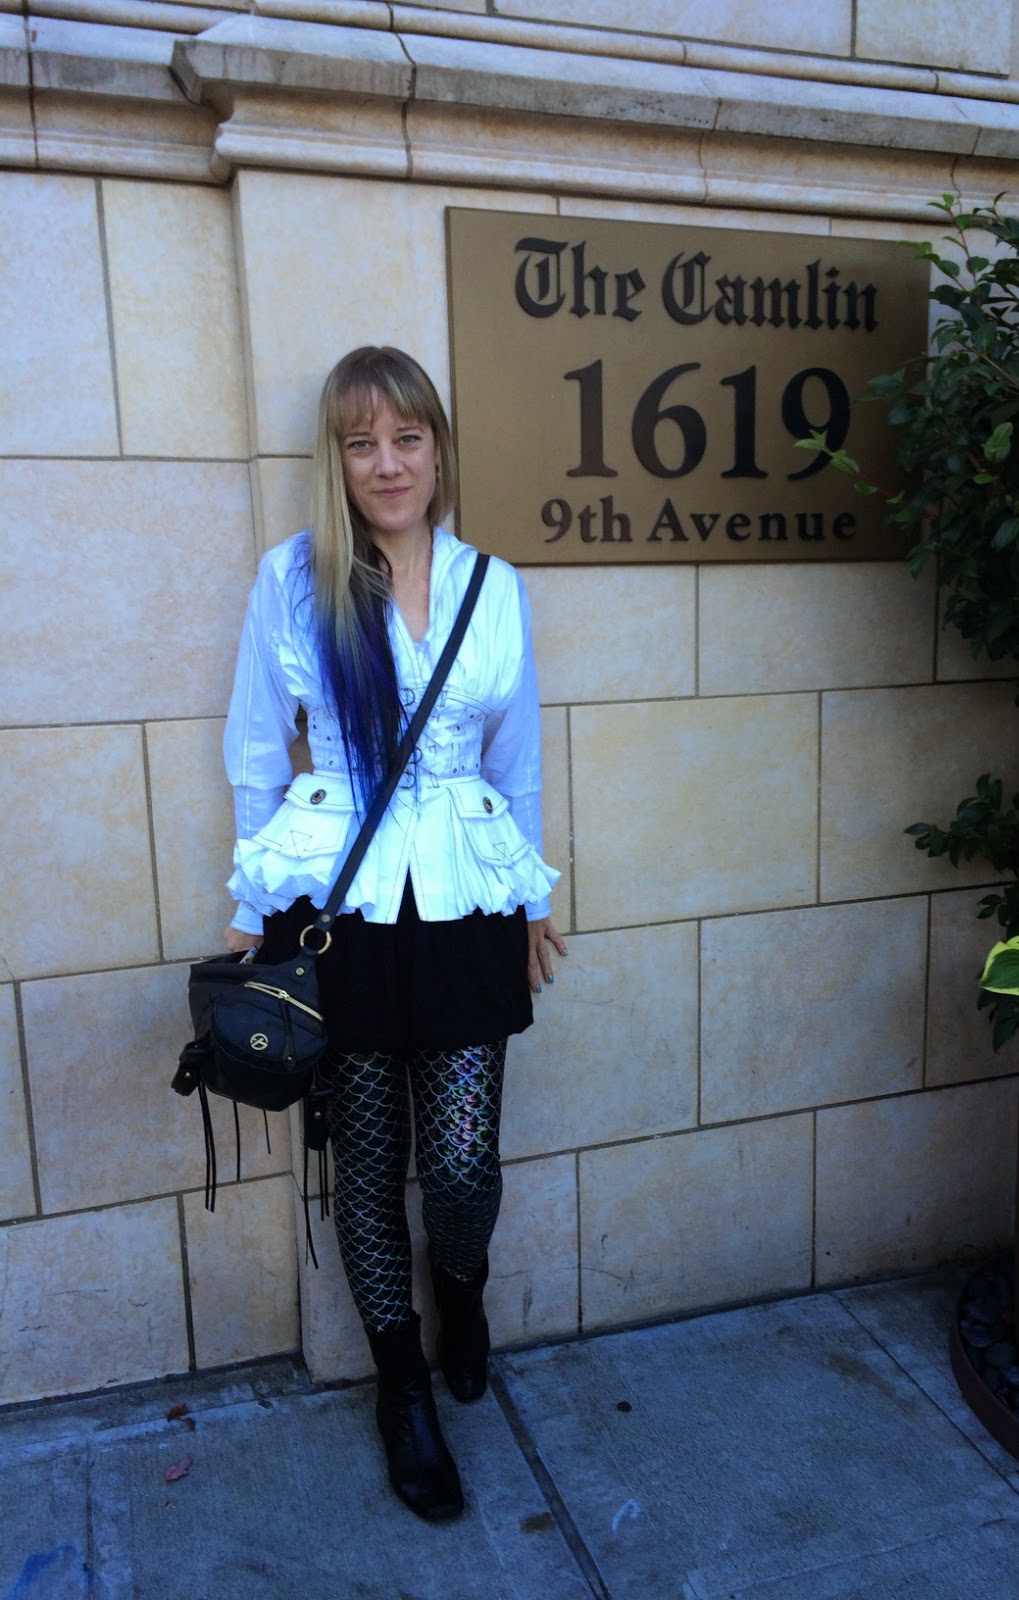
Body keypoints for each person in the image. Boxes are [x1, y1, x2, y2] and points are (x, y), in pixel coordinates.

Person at [221, 345, 564, 1522]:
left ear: (437, 449)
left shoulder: (491, 585)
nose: (387, 463)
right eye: (361, 441)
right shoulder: (295, 581)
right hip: (342, 917)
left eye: (407, 437)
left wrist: (534, 900)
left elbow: (518, 758)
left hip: (467, 905)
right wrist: (250, 912)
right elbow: (257, 751)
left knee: (460, 1164)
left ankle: (460, 1283)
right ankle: (401, 1381)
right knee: (366, 1166)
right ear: (337, 457)